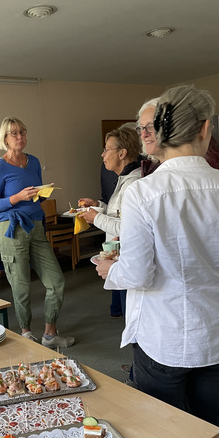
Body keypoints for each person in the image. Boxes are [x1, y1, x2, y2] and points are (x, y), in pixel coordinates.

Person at [96, 85, 219, 438]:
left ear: (162, 133)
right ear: (206, 129)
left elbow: (137, 273)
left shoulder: (144, 194)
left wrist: (107, 270)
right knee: (212, 431)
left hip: (163, 341)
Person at [0, 116, 74, 349]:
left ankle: (50, 334)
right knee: (21, 286)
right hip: (11, 229)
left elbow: (34, 194)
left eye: (22, 132)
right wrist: (17, 197)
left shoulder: (33, 162)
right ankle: (26, 333)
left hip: (35, 227)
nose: (20, 137)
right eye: (14, 133)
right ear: (4, 138)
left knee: (56, 281)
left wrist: (40, 193)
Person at [78, 123, 141, 318]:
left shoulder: (133, 184)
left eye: (106, 150)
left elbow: (126, 227)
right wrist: (99, 205)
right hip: (117, 254)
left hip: (126, 257)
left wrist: (95, 217)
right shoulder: (124, 179)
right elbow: (119, 213)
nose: (102, 155)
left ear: (122, 153)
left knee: (129, 312)